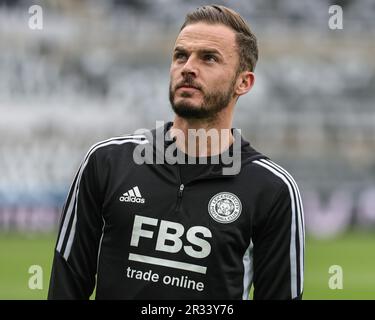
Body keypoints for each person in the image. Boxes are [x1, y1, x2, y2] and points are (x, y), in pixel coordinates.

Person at [48, 5, 304, 300]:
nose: (188, 67)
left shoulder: (272, 189)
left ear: (243, 82)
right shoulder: (106, 162)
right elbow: (66, 287)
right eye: (181, 55)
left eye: (209, 58)